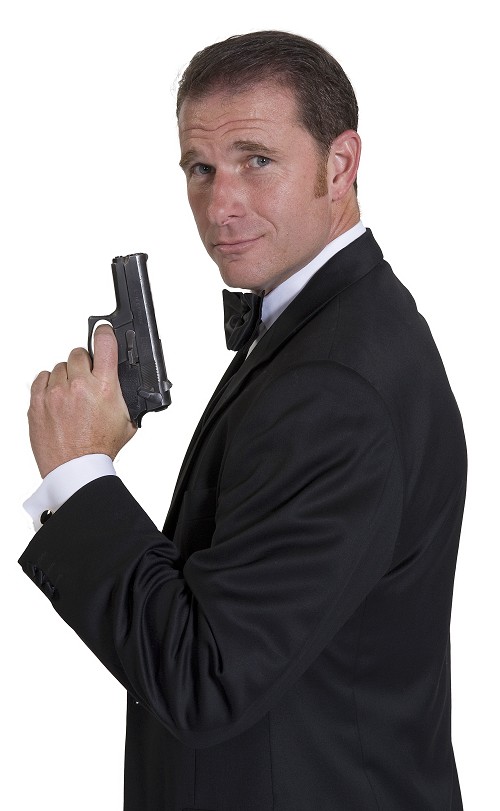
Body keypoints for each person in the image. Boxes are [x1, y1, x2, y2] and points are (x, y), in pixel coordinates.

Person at [19, 30, 467, 811]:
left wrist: (79, 473)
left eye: (256, 160)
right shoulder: (329, 329)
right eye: (201, 168)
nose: (220, 206)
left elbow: (205, 676)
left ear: (340, 164)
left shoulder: (334, 386)